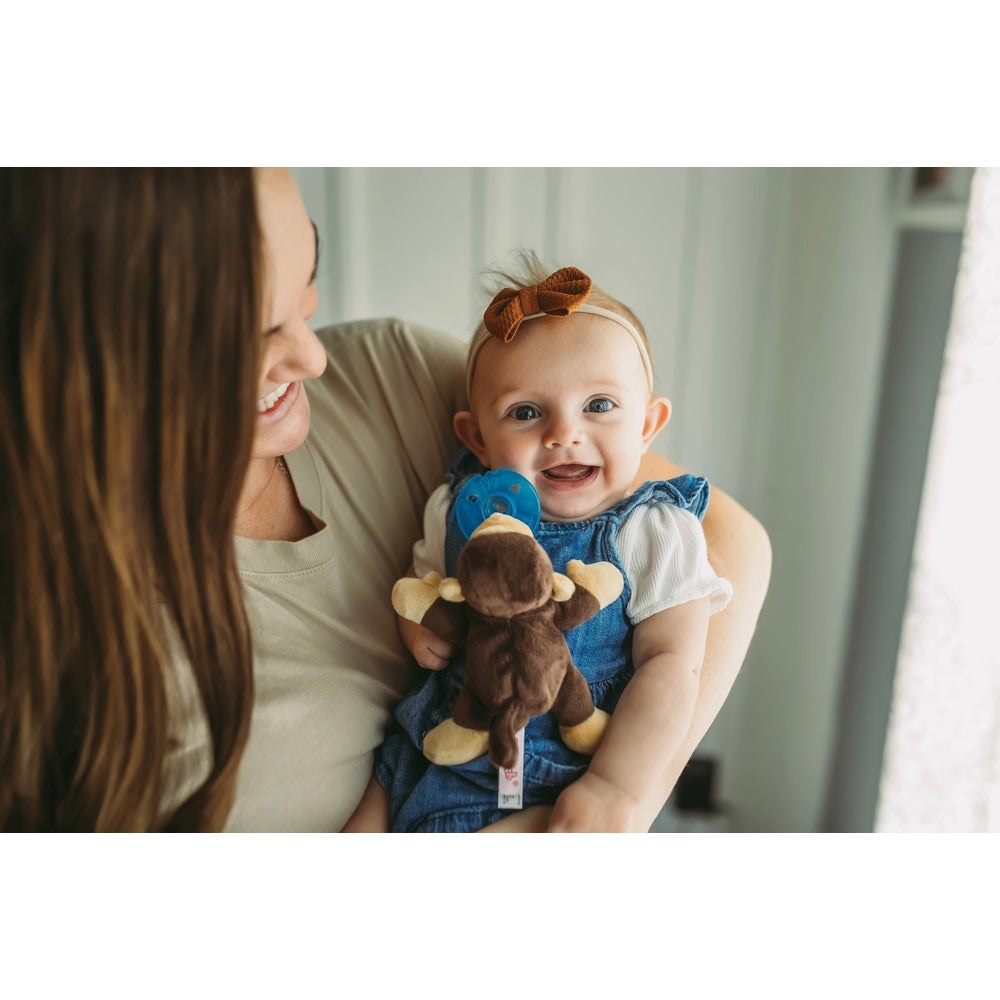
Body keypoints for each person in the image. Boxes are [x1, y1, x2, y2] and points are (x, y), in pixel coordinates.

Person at [1, 168, 770, 832]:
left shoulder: (390, 380)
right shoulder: (57, 631)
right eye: (248, 335)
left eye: (305, 294)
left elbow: (730, 544)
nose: (312, 356)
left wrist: (616, 802)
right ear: (88, 363)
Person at [368, 256, 733, 832]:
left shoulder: (651, 531)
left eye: (599, 406)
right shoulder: (460, 509)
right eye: (526, 412)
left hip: (561, 776)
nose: (564, 433)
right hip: (436, 745)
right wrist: (419, 631)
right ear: (478, 439)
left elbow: (671, 665)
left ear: (647, 425)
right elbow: (428, 589)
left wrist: (616, 786)